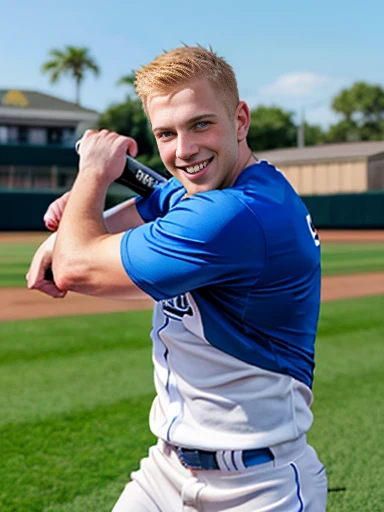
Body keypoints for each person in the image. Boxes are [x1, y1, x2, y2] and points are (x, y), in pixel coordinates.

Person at [27, 46, 327, 511]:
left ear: (241, 120)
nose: (184, 151)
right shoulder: (212, 191)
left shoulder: (236, 215)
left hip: (258, 487)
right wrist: (72, 229)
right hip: (165, 473)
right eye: (166, 133)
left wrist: (92, 174)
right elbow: (133, 214)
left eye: (201, 124)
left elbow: (74, 266)